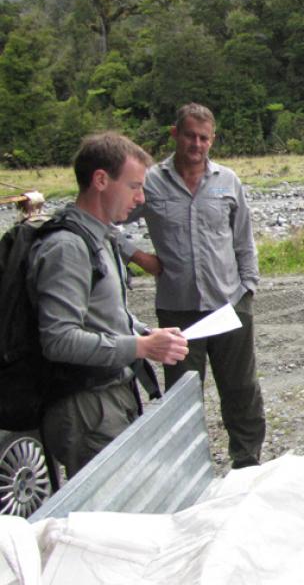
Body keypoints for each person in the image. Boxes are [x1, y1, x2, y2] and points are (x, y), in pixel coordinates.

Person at [29, 132, 189, 477]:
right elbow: (58, 339)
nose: (140, 198)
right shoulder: (68, 248)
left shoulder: (101, 238)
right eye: (133, 186)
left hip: (112, 394)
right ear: (101, 180)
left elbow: (105, 313)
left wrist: (146, 333)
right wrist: (141, 346)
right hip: (86, 405)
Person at [124, 103, 265, 469]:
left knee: (241, 390)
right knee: (183, 395)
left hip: (229, 302)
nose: (197, 144)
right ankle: (187, 469)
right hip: (177, 308)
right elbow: (112, 218)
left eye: (204, 138)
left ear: (212, 139)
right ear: (175, 134)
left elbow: (243, 238)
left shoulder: (227, 180)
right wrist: (140, 257)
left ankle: (247, 463)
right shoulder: (151, 182)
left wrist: (247, 288)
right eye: (190, 136)